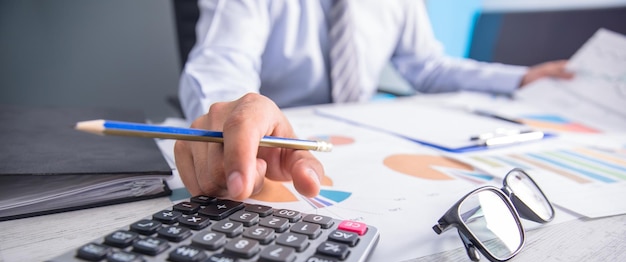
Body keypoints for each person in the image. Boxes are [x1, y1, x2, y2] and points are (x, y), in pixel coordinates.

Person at [175, 0, 573, 201]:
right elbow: (223, 58)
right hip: (279, 146)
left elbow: (427, 67)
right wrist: (235, 113)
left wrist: (519, 77)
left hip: (359, 143)